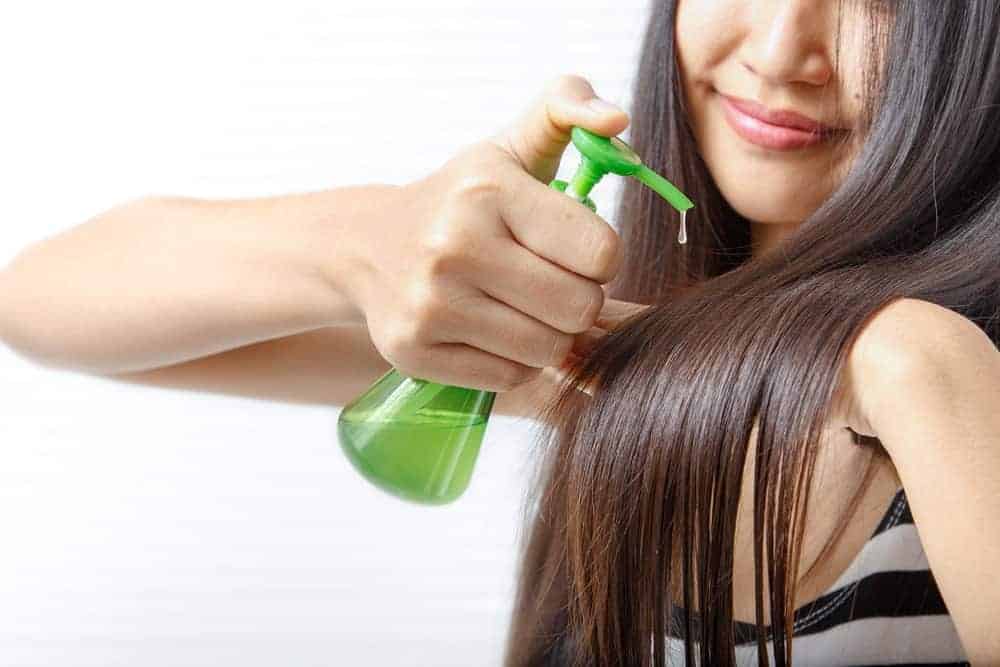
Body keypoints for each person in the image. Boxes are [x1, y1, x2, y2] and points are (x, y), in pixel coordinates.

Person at [0, 0, 997, 665]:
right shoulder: (607, 352)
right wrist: (368, 244)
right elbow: (39, 302)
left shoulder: (947, 371)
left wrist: (913, 362)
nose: (782, 51)